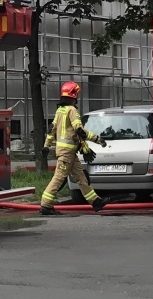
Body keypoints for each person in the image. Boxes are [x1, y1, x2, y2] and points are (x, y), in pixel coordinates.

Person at [40, 81, 106, 215]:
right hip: (67, 153)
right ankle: (45, 205)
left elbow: (51, 130)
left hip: (69, 153)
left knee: (81, 177)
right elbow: (80, 130)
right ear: (74, 95)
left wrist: (46, 146)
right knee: (59, 178)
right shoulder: (72, 110)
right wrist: (97, 139)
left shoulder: (60, 110)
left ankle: (95, 202)